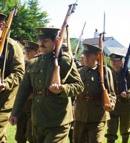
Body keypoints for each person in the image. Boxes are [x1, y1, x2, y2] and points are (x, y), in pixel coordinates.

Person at [9, 27, 84, 143]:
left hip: (58, 120)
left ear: (56, 42)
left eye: (46, 41)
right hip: (38, 119)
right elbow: (23, 90)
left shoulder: (64, 61)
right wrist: (15, 113)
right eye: (40, 40)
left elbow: (79, 86)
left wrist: (62, 89)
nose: (41, 44)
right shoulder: (34, 62)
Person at [73, 43, 116, 143]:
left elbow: (111, 93)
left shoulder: (104, 71)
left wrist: (111, 103)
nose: (85, 58)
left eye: (88, 56)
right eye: (84, 55)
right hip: (80, 114)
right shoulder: (78, 71)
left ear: (97, 56)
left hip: (97, 115)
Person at [0, 13, 25, 142]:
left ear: (1, 26)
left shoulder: (12, 46)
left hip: (3, 102)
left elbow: (19, 72)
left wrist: (5, 83)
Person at [105, 53, 130, 143]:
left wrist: (128, 94)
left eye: (116, 61)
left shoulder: (128, 73)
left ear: (121, 62)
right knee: (111, 131)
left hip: (126, 106)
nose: (113, 62)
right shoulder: (109, 73)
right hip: (113, 105)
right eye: (112, 61)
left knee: (125, 131)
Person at [15, 40, 39, 143]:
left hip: (34, 105)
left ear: (36, 52)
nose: (26, 53)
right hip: (22, 105)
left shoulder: (39, 66)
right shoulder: (23, 65)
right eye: (25, 51)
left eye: (29, 51)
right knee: (19, 136)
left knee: (31, 135)